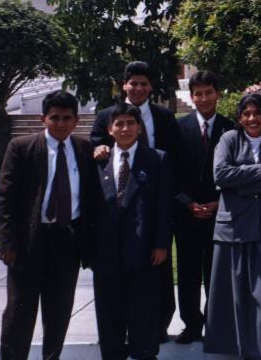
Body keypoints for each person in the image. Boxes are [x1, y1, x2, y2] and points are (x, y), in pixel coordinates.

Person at [0, 90, 96, 360]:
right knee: (20, 312)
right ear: (43, 118)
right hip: (30, 243)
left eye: (67, 118)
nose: (60, 123)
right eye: (54, 118)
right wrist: (8, 243)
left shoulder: (84, 149)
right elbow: (6, 198)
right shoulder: (22, 148)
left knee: (59, 311)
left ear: (76, 120)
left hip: (67, 241)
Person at [90, 61, 180, 341]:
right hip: (119, 194)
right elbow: (94, 143)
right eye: (133, 83)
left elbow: (175, 155)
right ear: (124, 85)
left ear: (151, 87)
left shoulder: (163, 116)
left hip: (153, 194)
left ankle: (157, 327)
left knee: (156, 275)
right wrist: (98, 147)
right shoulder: (107, 115)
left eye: (144, 83)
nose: (139, 88)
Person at [204, 93, 261, 360]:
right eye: (246, 114)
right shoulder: (229, 139)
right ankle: (234, 350)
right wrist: (258, 170)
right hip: (231, 228)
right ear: (240, 117)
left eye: (258, 113)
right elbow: (219, 174)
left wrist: (238, 184)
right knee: (232, 294)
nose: (252, 118)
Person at [173, 70, 234, 344]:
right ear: (192, 96)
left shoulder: (231, 127)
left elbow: (235, 169)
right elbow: (170, 173)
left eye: (209, 92)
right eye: (198, 93)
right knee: (187, 273)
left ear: (217, 93)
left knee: (216, 274)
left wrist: (219, 201)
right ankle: (191, 325)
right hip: (187, 213)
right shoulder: (178, 127)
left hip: (219, 212)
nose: (204, 98)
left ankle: (215, 324)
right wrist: (188, 203)